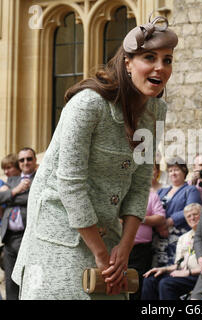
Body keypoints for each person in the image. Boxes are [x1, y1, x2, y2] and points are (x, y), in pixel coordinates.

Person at [12, 15, 178, 300]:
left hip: (109, 232)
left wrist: (124, 248)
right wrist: (101, 253)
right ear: (127, 62)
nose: (160, 68)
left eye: (167, 60)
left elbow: (140, 183)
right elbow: (71, 184)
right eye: (149, 57)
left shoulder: (156, 112)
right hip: (60, 236)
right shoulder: (88, 105)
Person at [141, 203, 202, 300]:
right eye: (189, 216)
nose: (192, 218)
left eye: (195, 214)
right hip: (182, 273)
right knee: (150, 279)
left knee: (166, 284)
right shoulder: (183, 238)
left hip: (198, 275)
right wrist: (162, 269)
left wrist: (188, 272)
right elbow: (177, 265)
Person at [0, 148, 37, 300]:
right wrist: (15, 191)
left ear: (35, 160)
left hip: (27, 237)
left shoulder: (39, 178)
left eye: (29, 159)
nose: (25, 162)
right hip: (9, 239)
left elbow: (32, 199)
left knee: (28, 281)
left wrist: (10, 196)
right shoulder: (13, 180)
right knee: (10, 283)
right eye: (22, 160)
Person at [152, 157, 202, 268]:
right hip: (158, 239)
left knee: (173, 271)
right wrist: (158, 225)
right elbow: (153, 209)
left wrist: (168, 222)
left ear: (184, 171)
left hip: (178, 239)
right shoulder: (162, 191)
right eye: (170, 171)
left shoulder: (190, 190)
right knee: (155, 270)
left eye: (176, 170)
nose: (173, 173)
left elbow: (191, 210)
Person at [128, 164, 166, 300]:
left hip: (141, 250)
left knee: (137, 283)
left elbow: (160, 217)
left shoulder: (151, 195)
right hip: (119, 246)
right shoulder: (123, 193)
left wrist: (138, 218)